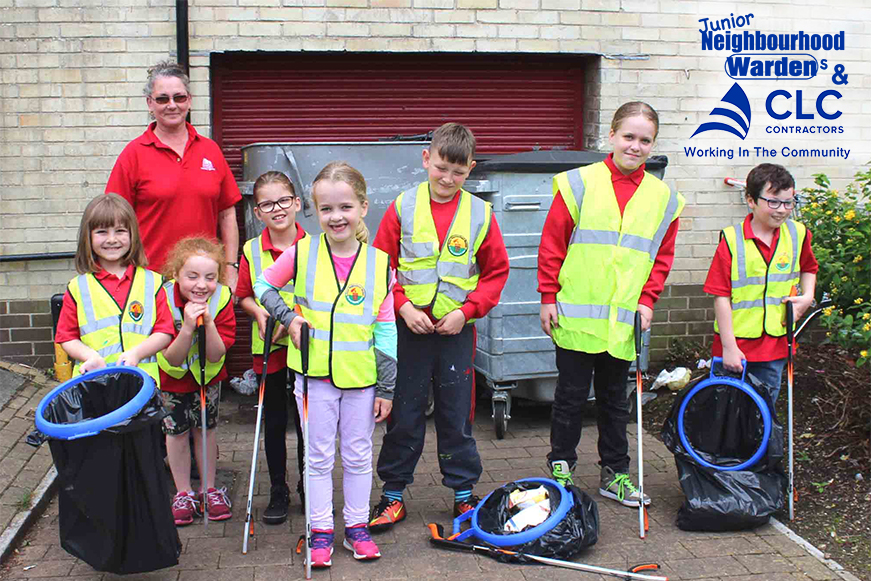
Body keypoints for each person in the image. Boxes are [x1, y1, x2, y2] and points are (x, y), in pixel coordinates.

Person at [538, 102, 684, 508]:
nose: (635, 146)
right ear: (612, 137)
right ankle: (561, 467)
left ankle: (615, 474)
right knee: (568, 396)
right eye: (629, 137)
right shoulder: (578, 183)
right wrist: (548, 296)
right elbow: (552, 244)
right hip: (575, 312)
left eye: (645, 140)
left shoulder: (664, 199)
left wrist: (648, 300)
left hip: (623, 320)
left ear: (653, 145)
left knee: (614, 400)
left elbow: (661, 257)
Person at [368, 123, 510, 531]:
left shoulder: (481, 213)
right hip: (407, 332)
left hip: (455, 333)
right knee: (405, 413)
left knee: (456, 415)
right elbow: (380, 268)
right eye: (442, 168)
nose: (448, 179)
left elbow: (496, 273)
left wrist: (467, 312)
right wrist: (401, 306)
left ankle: (464, 497)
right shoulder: (402, 206)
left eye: (458, 172)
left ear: (471, 169)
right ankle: (393, 495)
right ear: (426, 159)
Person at [255, 162, 395, 566]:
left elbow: (386, 331)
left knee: (357, 456)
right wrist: (288, 316)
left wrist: (387, 387)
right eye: (327, 209)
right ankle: (319, 533)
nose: (336, 217)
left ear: (363, 208)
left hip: (362, 380)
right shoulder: (301, 253)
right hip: (313, 378)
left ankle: (356, 528)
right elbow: (263, 285)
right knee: (316, 457)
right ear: (315, 212)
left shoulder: (381, 263)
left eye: (345, 207)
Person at [105, 61, 241, 290]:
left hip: (203, 280)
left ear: (189, 100)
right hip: (150, 280)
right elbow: (113, 221)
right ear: (150, 103)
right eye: (162, 99)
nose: (172, 105)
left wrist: (230, 266)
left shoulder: (210, 150)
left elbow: (227, 215)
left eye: (179, 98)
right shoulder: (133, 154)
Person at [704, 163, 818, 403]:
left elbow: (809, 268)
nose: (781, 210)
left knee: (764, 414)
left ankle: (762, 444)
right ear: (751, 200)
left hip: (774, 346)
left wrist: (807, 298)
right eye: (773, 202)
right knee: (727, 414)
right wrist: (729, 347)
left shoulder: (798, 234)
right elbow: (721, 296)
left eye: (788, 202)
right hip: (736, 346)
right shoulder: (732, 240)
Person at [237, 171, 307, 524]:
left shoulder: (316, 245)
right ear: (258, 212)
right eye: (267, 203)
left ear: (296, 203)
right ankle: (278, 488)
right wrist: (260, 315)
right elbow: (245, 295)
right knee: (275, 422)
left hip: (307, 349)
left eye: (283, 200)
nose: (276, 209)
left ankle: (309, 484)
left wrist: (294, 319)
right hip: (269, 350)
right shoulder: (252, 249)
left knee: (308, 422)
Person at [157, 237, 236, 526]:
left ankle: (209, 488)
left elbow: (218, 352)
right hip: (173, 378)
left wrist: (210, 322)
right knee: (176, 433)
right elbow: (173, 357)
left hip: (208, 377)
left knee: (206, 429)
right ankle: (184, 492)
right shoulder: (163, 297)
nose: (201, 285)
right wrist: (188, 327)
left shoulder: (223, 298)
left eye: (210, 277)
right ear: (176, 274)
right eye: (192, 276)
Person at [55, 193, 174, 383]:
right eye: (102, 232)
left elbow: (165, 332)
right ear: (88, 237)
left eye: (120, 231)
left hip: (142, 385)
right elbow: (66, 337)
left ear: (132, 234)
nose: (112, 239)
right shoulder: (78, 287)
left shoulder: (153, 282)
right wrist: (90, 357)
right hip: (93, 384)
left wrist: (137, 354)